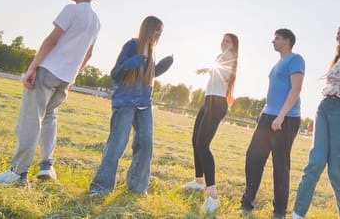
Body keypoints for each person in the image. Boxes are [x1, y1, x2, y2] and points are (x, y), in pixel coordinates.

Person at [0, 0, 100, 186]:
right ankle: (47, 165)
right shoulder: (96, 21)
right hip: (66, 78)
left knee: (31, 118)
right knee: (49, 118)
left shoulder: (71, 10)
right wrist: (73, 76)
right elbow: (88, 54)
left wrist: (32, 68)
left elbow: (51, 40)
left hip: (49, 69)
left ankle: (17, 172)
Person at [292, 25, 340, 219]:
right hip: (325, 108)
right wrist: (315, 120)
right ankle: (297, 215)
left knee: (336, 172)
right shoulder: (338, 60)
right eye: (338, 32)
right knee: (315, 163)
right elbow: (332, 88)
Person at [89, 16, 173, 196]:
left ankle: (137, 187)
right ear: (147, 29)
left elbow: (146, 76)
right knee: (117, 143)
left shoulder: (151, 51)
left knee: (146, 144)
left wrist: (161, 67)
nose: (158, 34)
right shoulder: (131, 45)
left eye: (161, 31)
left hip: (144, 104)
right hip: (125, 102)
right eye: (156, 29)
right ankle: (101, 186)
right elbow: (116, 73)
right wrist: (136, 59)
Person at [241, 28, 305, 219]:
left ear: (287, 41)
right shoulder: (277, 64)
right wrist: (266, 114)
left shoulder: (296, 59)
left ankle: (279, 212)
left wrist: (281, 116)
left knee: (280, 165)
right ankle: (248, 202)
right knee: (253, 158)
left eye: (277, 38)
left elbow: (296, 88)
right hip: (267, 115)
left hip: (286, 118)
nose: (273, 41)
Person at [183, 33, 239, 213]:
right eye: (223, 39)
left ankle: (213, 196)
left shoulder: (230, 57)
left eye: (228, 41)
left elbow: (224, 75)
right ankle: (199, 182)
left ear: (233, 45)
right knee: (195, 141)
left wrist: (211, 69)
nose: (224, 43)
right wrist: (209, 69)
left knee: (203, 145)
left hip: (217, 104)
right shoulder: (220, 57)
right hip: (208, 102)